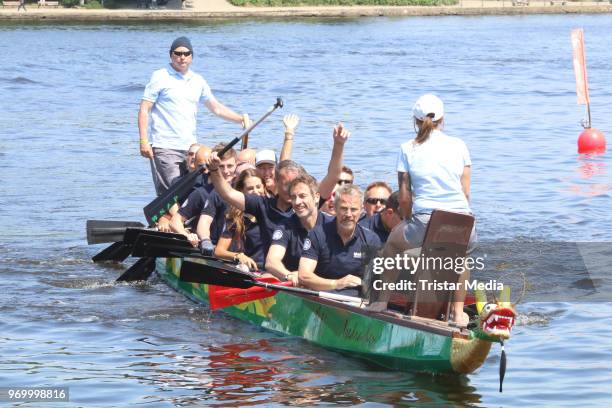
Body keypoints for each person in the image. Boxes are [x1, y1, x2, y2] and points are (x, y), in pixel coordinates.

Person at [384, 93, 475, 326]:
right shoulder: (459, 145)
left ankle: (380, 302)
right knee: (459, 258)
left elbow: (404, 197)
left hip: (426, 222)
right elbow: (465, 193)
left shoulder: (407, 148)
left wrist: (406, 220)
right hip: (464, 222)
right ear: (442, 119)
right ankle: (457, 313)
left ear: (415, 121)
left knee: (392, 245)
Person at [208, 122, 350, 257]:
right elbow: (228, 193)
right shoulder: (263, 205)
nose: (292, 191)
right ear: (275, 182)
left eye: (295, 185)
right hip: (272, 270)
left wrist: (339, 144)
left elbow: (333, 175)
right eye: (286, 185)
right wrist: (214, 169)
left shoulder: (307, 202)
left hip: (305, 268)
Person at [138, 36, 249, 196]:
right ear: (171, 55)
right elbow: (144, 109)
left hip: (190, 148)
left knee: (192, 190)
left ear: (191, 56)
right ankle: (167, 220)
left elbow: (216, 108)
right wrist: (143, 141)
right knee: (172, 193)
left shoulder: (198, 80)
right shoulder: (160, 76)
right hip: (165, 146)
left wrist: (240, 119)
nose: (182, 57)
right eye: (178, 53)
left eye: (186, 53)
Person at [298, 184, 382, 293]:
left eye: (353, 209)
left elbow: (375, 282)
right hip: (321, 296)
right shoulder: (317, 234)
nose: (348, 214)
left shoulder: (371, 240)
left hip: (355, 301)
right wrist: (337, 283)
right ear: (335, 208)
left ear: (362, 210)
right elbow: (304, 276)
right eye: (343, 208)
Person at [265, 174, 331, 285]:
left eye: (302, 196)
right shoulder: (285, 226)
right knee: (267, 276)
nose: (297, 202)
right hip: (294, 285)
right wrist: (288, 275)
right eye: (293, 197)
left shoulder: (331, 225)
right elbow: (271, 261)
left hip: (325, 285)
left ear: (316, 197)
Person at [214, 169, 266, 270]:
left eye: (258, 187)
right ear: (242, 191)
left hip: (272, 271)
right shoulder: (236, 218)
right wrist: (238, 256)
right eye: (250, 188)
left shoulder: (274, 210)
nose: (256, 191)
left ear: (264, 187)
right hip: (251, 270)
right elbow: (219, 251)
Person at [255, 114, 300, 196]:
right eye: (262, 168)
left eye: (270, 167)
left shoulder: (283, 189)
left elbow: (284, 161)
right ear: (256, 170)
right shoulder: (254, 192)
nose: (267, 172)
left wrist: (289, 132)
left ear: (276, 169)